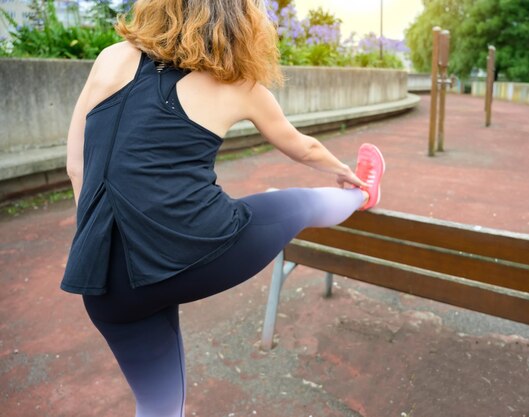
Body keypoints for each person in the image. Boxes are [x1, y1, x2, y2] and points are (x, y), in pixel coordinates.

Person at [61, 0, 385, 416]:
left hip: (105, 282)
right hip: (197, 249)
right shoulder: (237, 84)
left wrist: (102, 243)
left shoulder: (109, 59)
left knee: (158, 403)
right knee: (296, 206)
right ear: (239, 18)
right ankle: (362, 192)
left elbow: (76, 167)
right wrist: (342, 169)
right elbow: (301, 147)